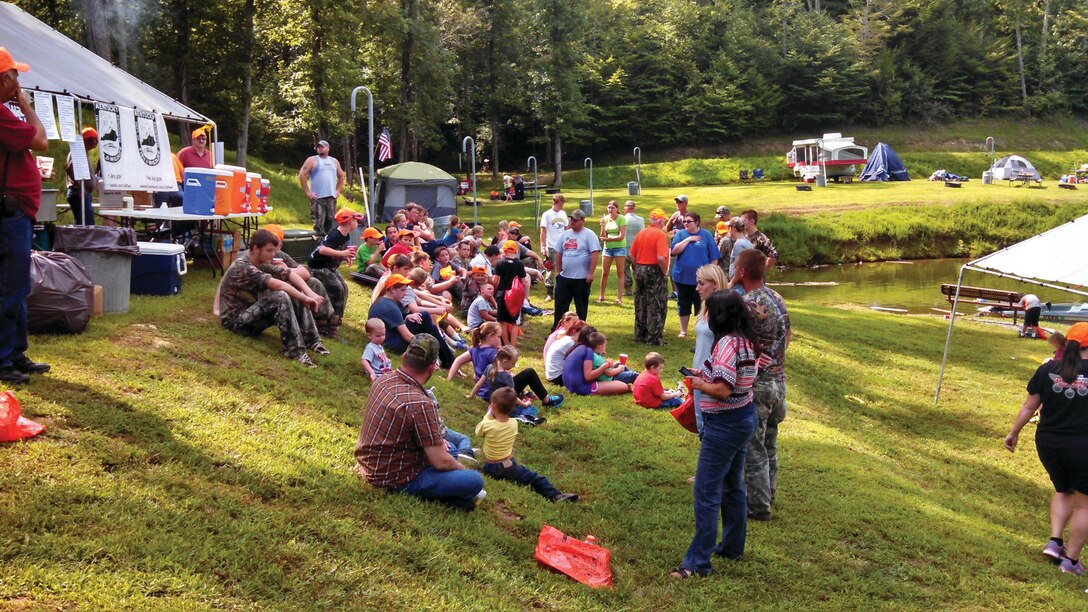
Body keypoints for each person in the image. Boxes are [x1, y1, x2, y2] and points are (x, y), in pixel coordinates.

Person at [672, 290, 760, 579]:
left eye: (708, 311)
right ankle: (733, 547)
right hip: (743, 418)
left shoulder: (726, 344)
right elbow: (733, 378)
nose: (705, 316)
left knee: (707, 491)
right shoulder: (745, 341)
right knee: (733, 486)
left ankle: (697, 564)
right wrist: (705, 374)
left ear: (720, 315)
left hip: (724, 424)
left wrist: (699, 384)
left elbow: (723, 389)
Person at [355, 334, 486, 512]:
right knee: (474, 480)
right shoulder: (420, 404)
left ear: (404, 357)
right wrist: (461, 471)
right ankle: (449, 496)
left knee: (452, 451)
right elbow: (441, 462)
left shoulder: (383, 379)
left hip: (370, 461)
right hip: (393, 477)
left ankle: (454, 494)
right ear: (432, 368)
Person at [1004, 322, 1088, 576]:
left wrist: (1013, 433)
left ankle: (1055, 542)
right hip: (1083, 446)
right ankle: (1071, 561)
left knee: (1063, 490)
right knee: (1085, 504)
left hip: (1048, 443)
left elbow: (1029, 407)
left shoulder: (1048, 369)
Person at [0, 48, 51, 385]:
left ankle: (15, 351)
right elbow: (42, 140)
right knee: (9, 286)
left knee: (18, 284)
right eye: (16, 75)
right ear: (5, 79)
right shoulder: (2, 114)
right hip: (10, 213)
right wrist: (25, 103)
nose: (20, 80)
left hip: (17, 211)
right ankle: (3, 359)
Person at [218, 229, 327, 368]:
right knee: (280, 296)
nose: (273, 254)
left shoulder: (258, 260)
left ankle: (312, 340)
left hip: (250, 313)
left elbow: (288, 274)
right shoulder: (243, 266)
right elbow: (278, 284)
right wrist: (305, 298)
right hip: (236, 322)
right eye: (269, 250)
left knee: (293, 290)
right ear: (256, 248)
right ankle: (294, 351)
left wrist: (309, 293)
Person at [736, 249, 791, 521]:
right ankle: (769, 493)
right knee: (770, 442)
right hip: (778, 383)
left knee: (754, 446)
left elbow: (739, 343)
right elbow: (788, 333)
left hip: (758, 386)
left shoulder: (748, 303)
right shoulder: (777, 298)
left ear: (742, 272)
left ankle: (758, 507)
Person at [477, 387, 579, 502]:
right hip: (510, 466)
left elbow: (478, 432)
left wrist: (488, 415)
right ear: (513, 407)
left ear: (493, 406)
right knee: (534, 478)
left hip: (490, 467)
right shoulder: (514, 423)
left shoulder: (487, 424)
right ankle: (555, 495)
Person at [366, 273, 455, 368]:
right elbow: (407, 336)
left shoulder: (383, 300)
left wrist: (406, 318)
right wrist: (428, 347)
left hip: (389, 337)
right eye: (402, 290)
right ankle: (449, 361)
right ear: (392, 289)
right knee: (425, 319)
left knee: (423, 318)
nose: (404, 294)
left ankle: (447, 358)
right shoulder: (391, 307)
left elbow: (391, 324)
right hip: (392, 345)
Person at [307, 208, 361, 341]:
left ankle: (336, 319)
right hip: (319, 267)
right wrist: (342, 254)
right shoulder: (336, 235)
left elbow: (337, 251)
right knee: (337, 290)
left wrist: (345, 257)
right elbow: (323, 249)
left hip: (329, 266)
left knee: (344, 288)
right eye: (356, 220)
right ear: (350, 221)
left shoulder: (345, 234)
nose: (358, 223)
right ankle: (328, 327)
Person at [692, 264, 730, 434]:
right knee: (701, 423)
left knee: (710, 427)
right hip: (698, 374)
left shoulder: (722, 313)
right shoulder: (706, 308)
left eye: (701, 283)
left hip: (713, 377)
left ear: (714, 283)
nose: (697, 288)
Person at [671, 211, 720, 339]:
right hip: (682, 277)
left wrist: (712, 274)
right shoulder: (681, 234)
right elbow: (674, 251)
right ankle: (683, 330)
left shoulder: (706, 235)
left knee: (702, 304)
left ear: (697, 222)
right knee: (683, 303)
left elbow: (714, 256)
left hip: (702, 280)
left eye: (689, 221)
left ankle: (702, 329)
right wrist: (688, 239)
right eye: (684, 221)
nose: (685, 224)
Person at [627, 208, 671, 346]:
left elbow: (630, 255)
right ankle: (654, 338)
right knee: (656, 304)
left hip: (639, 268)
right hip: (654, 270)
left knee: (641, 301)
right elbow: (660, 258)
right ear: (661, 220)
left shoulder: (642, 233)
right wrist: (664, 273)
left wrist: (639, 266)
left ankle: (640, 334)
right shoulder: (660, 235)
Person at [553, 209, 601, 330]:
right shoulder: (566, 234)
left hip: (581, 278)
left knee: (581, 307)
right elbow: (558, 252)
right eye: (571, 219)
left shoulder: (589, 234)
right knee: (560, 306)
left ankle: (580, 331)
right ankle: (557, 329)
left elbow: (594, 253)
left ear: (583, 221)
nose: (572, 221)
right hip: (565, 278)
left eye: (575, 219)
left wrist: (590, 273)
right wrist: (558, 271)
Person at [298, 139, 346, 236]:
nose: (319, 148)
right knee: (319, 225)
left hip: (331, 198)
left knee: (332, 225)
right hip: (318, 198)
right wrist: (308, 192)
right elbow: (302, 175)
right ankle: (319, 247)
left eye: (322, 146)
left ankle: (331, 246)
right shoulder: (312, 160)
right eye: (318, 147)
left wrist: (338, 191)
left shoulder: (334, 161)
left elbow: (341, 176)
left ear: (328, 148)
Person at [562, 328, 631, 396]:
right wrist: (604, 366)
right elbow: (588, 376)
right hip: (581, 388)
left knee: (620, 383)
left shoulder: (578, 347)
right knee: (623, 386)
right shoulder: (588, 351)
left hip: (569, 386)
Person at [494, 240, 528, 346]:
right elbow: (524, 281)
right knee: (514, 322)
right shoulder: (519, 264)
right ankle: (513, 346)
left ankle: (506, 343)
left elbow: (495, 280)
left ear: (504, 250)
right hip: (514, 296)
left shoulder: (500, 263)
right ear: (516, 251)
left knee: (502, 321)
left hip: (502, 293)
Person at [64, 127, 98, 225]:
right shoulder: (78, 152)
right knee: (85, 225)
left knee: (86, 224)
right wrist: (80, 187)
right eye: (95, 139)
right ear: (88, 140)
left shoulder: (84, 153)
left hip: (82, 192)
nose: (96, 142)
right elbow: (69, 168)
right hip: (78, 192)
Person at [539, 193, 569, 301]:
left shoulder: (563, 214)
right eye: (560, 205)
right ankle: (549, 293)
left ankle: (562, 290)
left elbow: (566, 228)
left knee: (564, 268)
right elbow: (543, 231)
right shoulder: (547, 215)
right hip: (551, 245)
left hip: (563, 245)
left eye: (562, 205)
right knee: (550, 268)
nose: (561, 207)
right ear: (554, 203)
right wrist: (543, 246)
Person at [597, 200, 628, 304]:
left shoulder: (621, 219)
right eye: (609, 207)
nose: (610, 209)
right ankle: (601, 296)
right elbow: (602, 236)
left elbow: (621, 236)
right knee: (605, 272)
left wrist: (608, 239)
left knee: (620, 271)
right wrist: (602, 225)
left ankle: (619, 298)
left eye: (612, 208)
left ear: (617, 209)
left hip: (620, 248)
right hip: (607, 249)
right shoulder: (605, 219)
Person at [545, 320, 587, 385]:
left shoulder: (567, 339)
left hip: (552, 375)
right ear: (574, 331)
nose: (585, 337)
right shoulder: (570, 343)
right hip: (557, 377)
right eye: (582, 334)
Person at [623, 200, 644, 297]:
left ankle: (628, 289)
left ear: (625, 209)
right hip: (637, 249)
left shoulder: (622, 219)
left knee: (625, 268)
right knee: (637, 269)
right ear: (634, 208)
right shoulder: (641, 219)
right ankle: (639, 288)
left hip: (625, 247)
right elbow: (643, 234)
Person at [726, 218, 753, 291]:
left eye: (729, 228)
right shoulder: (747, 242)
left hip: (739, 285)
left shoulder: (739, 244)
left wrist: (732, 282)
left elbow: (740, 266)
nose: (728, 230)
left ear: (733, 229)